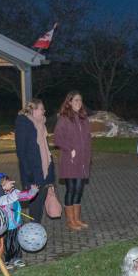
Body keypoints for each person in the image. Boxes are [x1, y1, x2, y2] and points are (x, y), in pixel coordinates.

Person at [54, 91, 93, 230]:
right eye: (75, 100)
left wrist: (88, 157)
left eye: (80, 100)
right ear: (69, 102)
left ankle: (77, 219)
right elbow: (57, 139)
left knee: (79, 190)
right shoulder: (64, 118)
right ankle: (70, 221)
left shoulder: (84, 118)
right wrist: (70, 149)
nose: (78, 103)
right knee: (71, 189)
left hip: (82, 161)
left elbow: (88, 139)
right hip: (70, 160)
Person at [14, 99, 56, 224]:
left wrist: (50, 171)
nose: (44, 111)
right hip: (33, 172)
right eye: (42, 108)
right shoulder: (23, 123)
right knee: (35, 206)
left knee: (40, 204)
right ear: (33, 109)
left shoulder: (41, 124)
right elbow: (21, 151)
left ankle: (36, 229)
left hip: (44, 170)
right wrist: (29, 174)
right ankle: (33, 233)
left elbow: (46, 149)